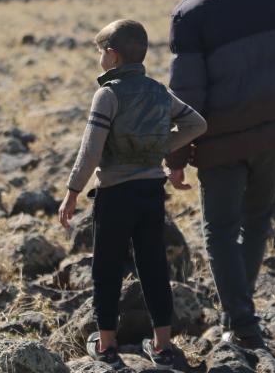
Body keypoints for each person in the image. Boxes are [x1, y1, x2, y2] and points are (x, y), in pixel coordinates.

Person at [165, 0, 275, 348]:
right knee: (256, 221)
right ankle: (241, 314)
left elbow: (186, 95)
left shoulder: (190, 13)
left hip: (222, 143)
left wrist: (175, 156)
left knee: (219, 231)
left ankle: (242, 323)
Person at [60, 19, 208, 369]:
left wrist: (72, 192)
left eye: (100, 52)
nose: (100, 58)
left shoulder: (107, 95)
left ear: (111, 56)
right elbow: (197, 125)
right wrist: (159, 149)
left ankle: (107, 344)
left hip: (114, 194)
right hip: (150, 193)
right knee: (154, 265)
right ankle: (162, 345)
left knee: (106, 268)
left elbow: (91, 150)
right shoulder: (159, 91)